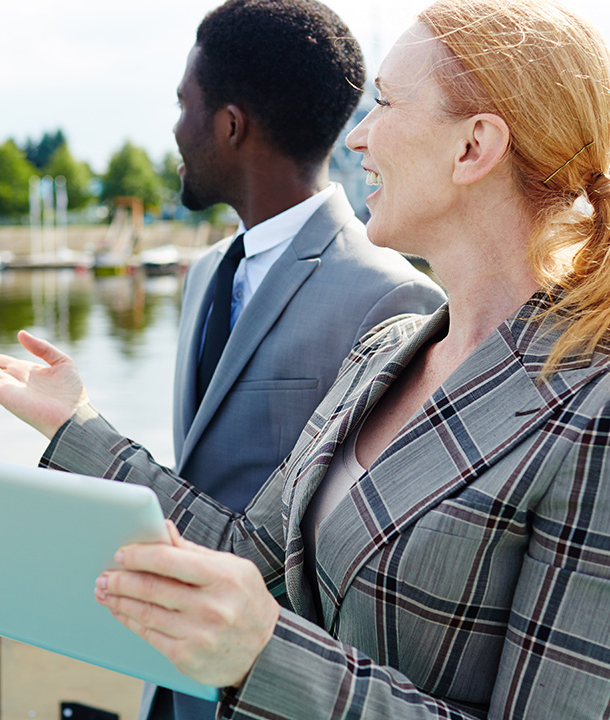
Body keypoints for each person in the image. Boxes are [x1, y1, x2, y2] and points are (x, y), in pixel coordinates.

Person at [0, 0, 610, 716]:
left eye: (384, 105)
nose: (356, 137)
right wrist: (74, 426)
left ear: (474, 146)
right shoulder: (388, 352)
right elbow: (253, 555)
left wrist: (263, 655)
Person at [143, 1, 446, 717]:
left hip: (282, 690)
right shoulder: (206, 272)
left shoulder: (394, 295)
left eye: (183, 105)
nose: (175, 128)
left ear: (229, 125)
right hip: (174, 677)